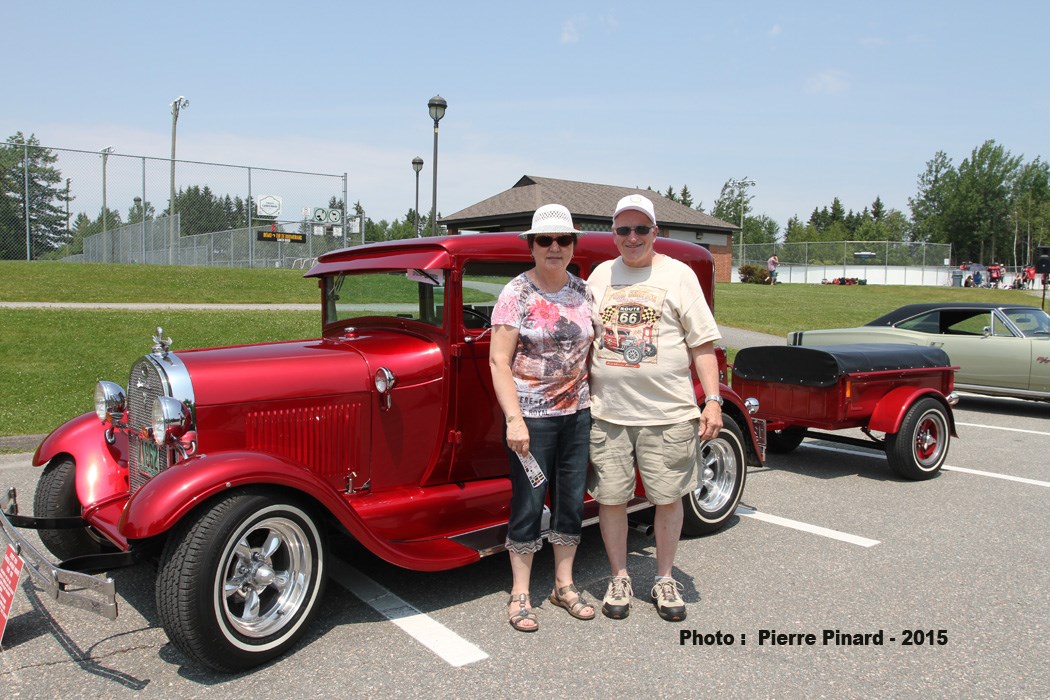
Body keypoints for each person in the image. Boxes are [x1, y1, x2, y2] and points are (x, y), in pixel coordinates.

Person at [587, 194, 723, 622]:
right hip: (608, 412)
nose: (632, 238)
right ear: (613, 234)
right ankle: (619, 575)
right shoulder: (599, 275)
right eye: (623, 230)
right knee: (611, 499)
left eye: (640, 229)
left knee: (667, 498)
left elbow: (701, 344)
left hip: (668, 414)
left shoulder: (679, 275)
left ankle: (664, 578)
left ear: (655, 232)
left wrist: (713, 400)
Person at [489, 203, 596, 632]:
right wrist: (514, 419)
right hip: (532, 419)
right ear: (531, 246)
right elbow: (499, 362)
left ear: (573, 245)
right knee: (529, 502)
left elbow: (596, 351)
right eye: (545, 240)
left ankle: (564, 586)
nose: (555, 247)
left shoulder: (584, 291)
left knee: (571, 501)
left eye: (563, 240)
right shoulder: (516, 294)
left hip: (578, 414)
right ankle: (520, 594)